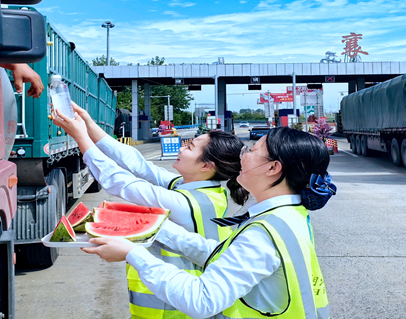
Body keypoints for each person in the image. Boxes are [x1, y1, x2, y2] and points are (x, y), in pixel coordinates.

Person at [82, 127, 335, 319]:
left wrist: (133, 253)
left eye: (251, 151)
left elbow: (202, 300)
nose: (242, 157)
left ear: (273, 168)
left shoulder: (264, 233)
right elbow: (223, 254)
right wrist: (159, 227)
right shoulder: (290, 216)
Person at [53, 103, 247, 319]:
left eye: (190, 147)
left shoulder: (184, 204)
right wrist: (89, 125)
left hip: (176, 309)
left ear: (206, 166)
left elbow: (122, 183)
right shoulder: (203, 190)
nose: (181, 148)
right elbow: (140, 165)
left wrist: (82, 139)